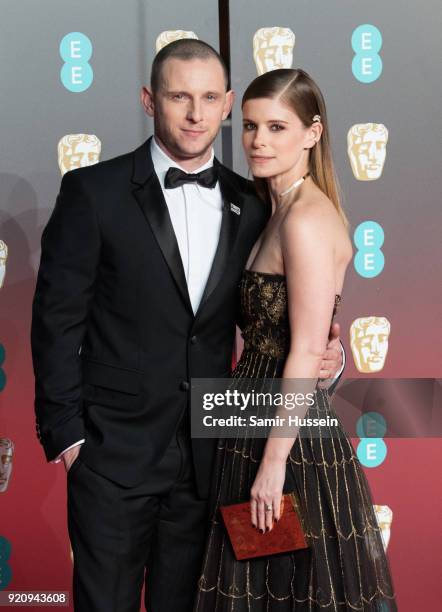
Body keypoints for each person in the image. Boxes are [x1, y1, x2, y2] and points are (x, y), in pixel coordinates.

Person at [31, 40, 343, 612]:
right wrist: (70, 439)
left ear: (227, 104)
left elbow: (293, 317)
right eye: (179, 96)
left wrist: (332, 359)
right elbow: (55, 322)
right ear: (150, 101)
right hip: (112, 457)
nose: (196, 114)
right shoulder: (93, 193)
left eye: (207, 98)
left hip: (216, 458)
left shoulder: (255, 204)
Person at [194, 69, 397, 611]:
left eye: (277, 127)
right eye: (251, 126)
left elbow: (307, 348)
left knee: (283, 594)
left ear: (312, 133)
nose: (259, 141)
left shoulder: (305, 218)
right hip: (255, 417)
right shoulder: (275, 211)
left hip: (288, 441)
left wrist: (273, 462)